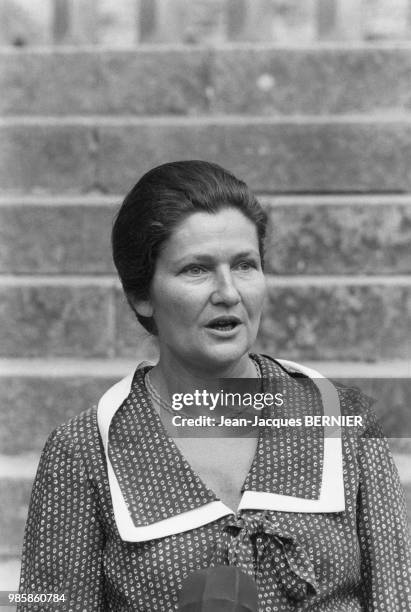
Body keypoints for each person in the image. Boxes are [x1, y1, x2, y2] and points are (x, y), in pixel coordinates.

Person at [18, 161, 410, 611]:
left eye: (245, 265)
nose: (228, 292)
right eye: (196, 270)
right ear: (141, 294)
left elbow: (396, 595)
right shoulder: (84, 451)